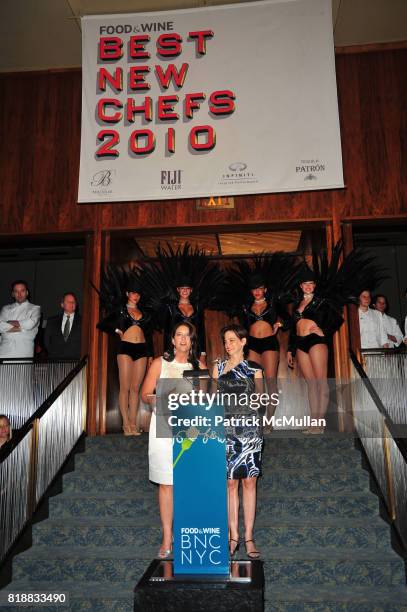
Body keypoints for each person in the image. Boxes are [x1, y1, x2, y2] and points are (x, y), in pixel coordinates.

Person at [287, 242, 385, 433]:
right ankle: (313, 422)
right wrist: (291, 349)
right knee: (310, 384)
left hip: (316, 342)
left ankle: (319, 424)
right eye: (304, 284)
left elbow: (338, 319)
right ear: (301, 286)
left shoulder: (322, 300)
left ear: (314, 285)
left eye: (310, 283)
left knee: (320, 381)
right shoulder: (296, 304)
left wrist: (323, 330)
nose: (307, 286)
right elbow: (292, 328)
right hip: (300, 343)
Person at [141, 322, 200, 558]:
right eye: (179, 334)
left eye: (188, 335)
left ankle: (186, 532)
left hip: (190, 431)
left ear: (192, 341)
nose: (183, 339)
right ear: (173, 340)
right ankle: (167, 536)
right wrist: (166, 397)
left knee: (188, 483)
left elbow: (206, 400)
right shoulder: (160, 363)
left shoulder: (199, 366)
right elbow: (145, 395)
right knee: (166, 483)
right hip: (164, 428)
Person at [212, 324, 263, 560]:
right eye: (225, 341)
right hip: (226, 431)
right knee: (231, 484)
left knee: (249, 483)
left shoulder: (254, 368)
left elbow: (262, 400)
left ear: (243, 342)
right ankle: (233, 537)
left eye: (232, 340)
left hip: (250, 429)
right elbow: (212, 400)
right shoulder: (218, 368)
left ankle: (249, 537)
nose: (228, 344)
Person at [141, 243, 224, 364]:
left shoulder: (197, 307)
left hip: (194, 348)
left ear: (191, 290)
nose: (184, 291)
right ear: (178, 290)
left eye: (187, 288)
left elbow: (201, 331)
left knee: (194, 379)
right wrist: (167, 351)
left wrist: (203, 353)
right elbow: (168, 332)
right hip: (176, 349)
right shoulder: (171, 307)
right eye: (182, 288)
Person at [97, 267, 154, 436]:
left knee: (136, 388)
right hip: (125, 348)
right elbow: (102, 324)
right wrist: (117, 331)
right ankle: (126, 424)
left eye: (138, 294)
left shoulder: (144, 313)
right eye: (133, 293)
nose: (136, 296)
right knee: (125, 387)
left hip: (142, 349)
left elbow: (149, 335)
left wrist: (150, 354)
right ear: (127, 293)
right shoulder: (120, 310)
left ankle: (133, 423)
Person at [0, 280, 41, 358]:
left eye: (22, 291)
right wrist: (22, 329)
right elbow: (0, 326)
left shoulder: (35, 308)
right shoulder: (6, 309)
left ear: (27, 292)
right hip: (3, 352)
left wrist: (8, 323)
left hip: (24, 353)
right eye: (16, 291)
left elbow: (30, 324)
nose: (19, 294)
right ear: (12, 294)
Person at [44, 292, 82, 359]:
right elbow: (46, 341)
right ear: (62, 304)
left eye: (73, 302)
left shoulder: (83, 321)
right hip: (55, 361)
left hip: (76, 362)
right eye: (68, 301)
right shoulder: (52, 321)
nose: (71, 303)